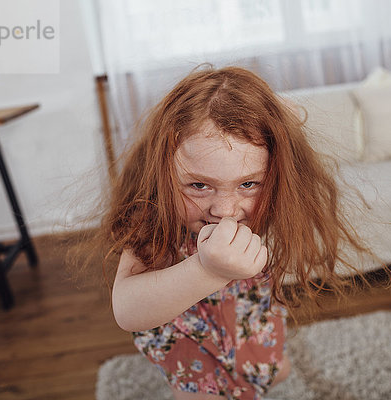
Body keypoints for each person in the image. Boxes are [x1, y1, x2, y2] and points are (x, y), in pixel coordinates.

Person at [100, 66, 374, 400]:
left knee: (276, 371)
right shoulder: (153, 213)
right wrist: (207, 270)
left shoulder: (272, 196)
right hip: (187, 334)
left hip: (246, 318)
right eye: (199, 185)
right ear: (165, 173)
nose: (225, 211)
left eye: (247, 184)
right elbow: (127, 311)